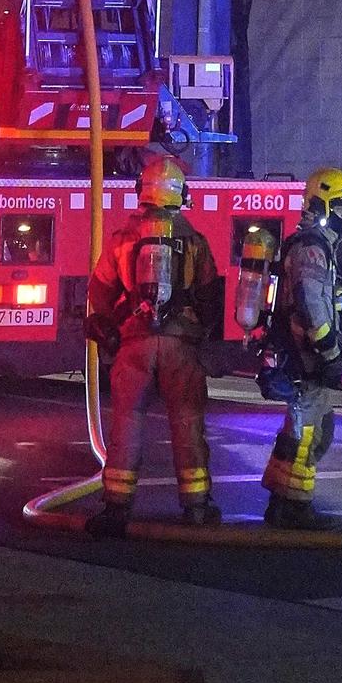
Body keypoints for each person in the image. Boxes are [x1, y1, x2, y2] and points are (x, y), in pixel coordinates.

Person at [85, 153, 223, 536]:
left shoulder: (123, 239)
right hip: (181, 346)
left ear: (141, 192)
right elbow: (210, 294)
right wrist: (201, 334)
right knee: (187, 422)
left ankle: (115, 507)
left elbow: (99, 291)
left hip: (134, 343)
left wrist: (112, 327)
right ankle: (196, 506)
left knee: (127, 423)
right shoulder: (194, 240)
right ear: (180, 193)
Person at [260, 165, 342, 529]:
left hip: (304, 354)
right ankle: (296, 507)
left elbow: (322, 297)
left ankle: (279, 498)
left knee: (302, 429)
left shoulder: (317, 248)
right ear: (323, 206)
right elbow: (310, 303)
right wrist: (330, 350)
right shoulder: (312, 250)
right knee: (309, 433)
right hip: (308, 357)